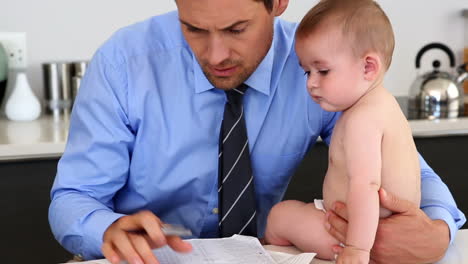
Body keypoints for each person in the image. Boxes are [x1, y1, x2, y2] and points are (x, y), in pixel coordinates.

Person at [48, 0, 466, 264]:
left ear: (278, 3)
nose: (215, 55)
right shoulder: (124, 63)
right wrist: (105, 229)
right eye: (193, 28)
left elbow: (405, 162)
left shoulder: (316, 64)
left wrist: (437, 229)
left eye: (236, 29)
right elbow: (73, 198)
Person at [264, 0, 422, 263]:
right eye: (307, 73)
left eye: (323, 71)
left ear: (368, 67)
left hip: (353, 236)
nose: (312, 84)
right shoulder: (382, 104)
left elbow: (366, 186)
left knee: (279, 216)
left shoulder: (361, 119)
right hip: (377, 229)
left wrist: (357, 249)